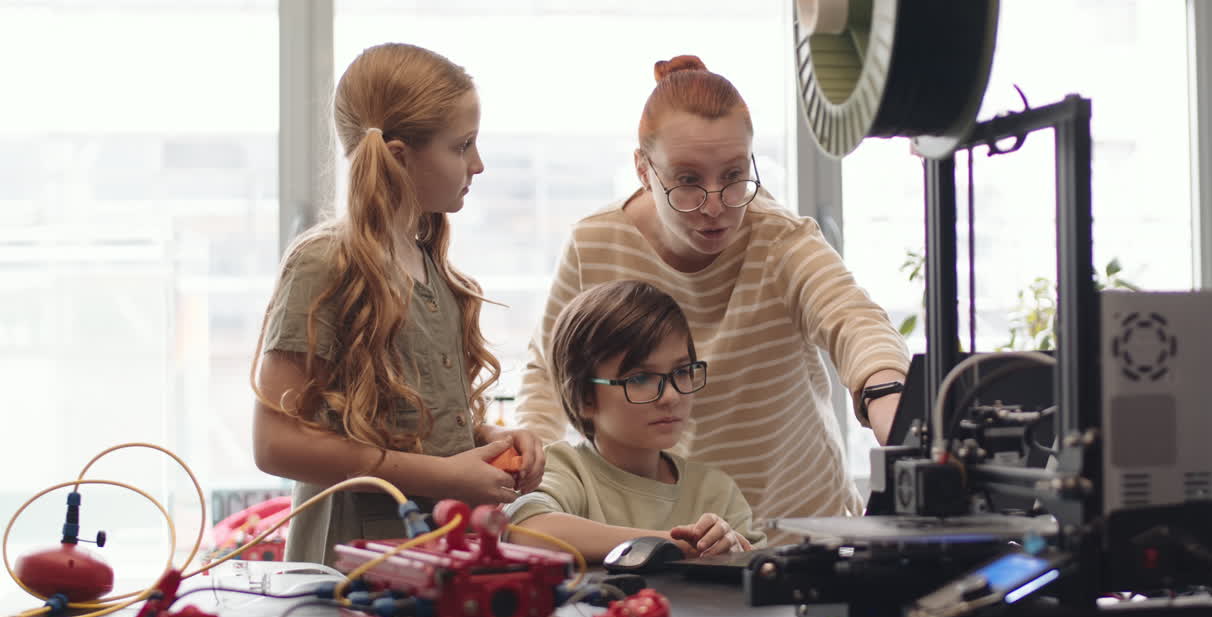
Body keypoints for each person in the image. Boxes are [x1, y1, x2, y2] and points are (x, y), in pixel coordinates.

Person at [516, 55, 908, 530]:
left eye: (734, 175)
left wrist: (892, 407)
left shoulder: (781, 239)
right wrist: (530, 470)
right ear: (643, 169)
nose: (716, 205)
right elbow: (549, 372)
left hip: (798, 521)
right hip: (681, 526)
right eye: (688, 181)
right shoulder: (596, 242)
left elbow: (855, 322)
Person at [250, 43, 545, 566]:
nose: (478, 164)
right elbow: (275, 444)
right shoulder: (325, 264)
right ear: (400, 156)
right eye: (462, 146)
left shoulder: (429, 263)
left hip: (435, 557)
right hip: (351, 567)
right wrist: (444, 476)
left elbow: (412, 424)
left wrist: (488, 439)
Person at [505, 280, 765, 562]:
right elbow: (526, 530)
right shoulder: (566, 469)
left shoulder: (715, 491)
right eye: (640, 378)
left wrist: (732, 554)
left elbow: (762, 570)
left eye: (681, 372)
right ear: (584, 397)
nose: (671, 396)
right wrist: (674, 545)